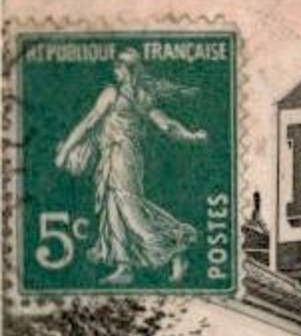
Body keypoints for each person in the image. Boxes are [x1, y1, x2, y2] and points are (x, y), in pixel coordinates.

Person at [53, 48, 209, 285]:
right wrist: (192, 136)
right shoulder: (140, 95)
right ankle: (124, 265)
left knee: (129, 208)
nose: (115, 70)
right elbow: (166, 125)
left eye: (119, 66)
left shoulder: (115, 94)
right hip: (118, 156)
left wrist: (65, 151)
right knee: (113, 205)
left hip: (121, 155)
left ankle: (175, 245)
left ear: (128, 69)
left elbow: (88, 123)